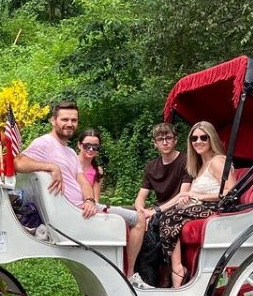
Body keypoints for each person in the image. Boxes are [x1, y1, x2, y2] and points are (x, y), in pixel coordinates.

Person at [16, 103, 146, 286]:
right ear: (53, 121)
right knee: (139, 219)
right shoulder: (44, 143)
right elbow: (18, 162)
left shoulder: (69, 152)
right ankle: (130, 275)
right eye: (64, 119)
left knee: (138, 217)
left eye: (73, 120)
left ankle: (127, 273)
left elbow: (83, 181)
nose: (69, 123)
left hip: (82, 208)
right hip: (72, 215)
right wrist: (50, 167)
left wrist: (90, 200)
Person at [157, 120, 236, 287]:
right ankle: (166, 270)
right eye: (194, 139)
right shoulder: (200, 166)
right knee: (162, 218)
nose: (198, 142)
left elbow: (231, 191)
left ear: (211, 139)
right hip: (201, 206)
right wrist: (188, 197)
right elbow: (195, 194)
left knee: (169, 217)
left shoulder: (217, 161)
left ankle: (177, 268)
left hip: (218, 208)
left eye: (203, 137)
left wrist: (197, 194)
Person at [131, 122, 192, 285]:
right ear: (155, 143)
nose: (165, 142)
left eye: (168, 138)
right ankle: (138, 273)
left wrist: (156, 210)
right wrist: (141, 212)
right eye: (160, 139)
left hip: (179, 208)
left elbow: (183, 194)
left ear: (175, 140)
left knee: (158, 221)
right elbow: (140, 198)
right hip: (158, 210)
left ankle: (162, 275)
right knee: (132, 218)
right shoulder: (152, 166)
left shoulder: (186, 161)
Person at [75, 128, 105, 204]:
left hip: (87, 209)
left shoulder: (98, 171)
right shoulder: (70, 163)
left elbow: (96, 199)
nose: (91, 149)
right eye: (87, 146)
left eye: (95, 147)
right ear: (79, 145)